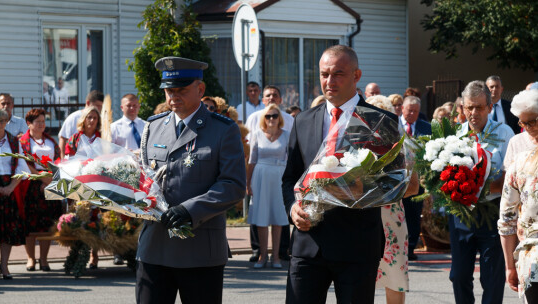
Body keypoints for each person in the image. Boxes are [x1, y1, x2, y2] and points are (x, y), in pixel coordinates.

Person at [282, 45, 399, 304]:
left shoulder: (380, 121)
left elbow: (395, 182)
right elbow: (290, 177)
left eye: (338, 74)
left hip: (356, 246)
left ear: (357, 76)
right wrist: (293, 209)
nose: (329, 81)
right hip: (308, 244)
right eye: (324, 74)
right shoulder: (302, 120)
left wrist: (362, 191)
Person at [136, 56, 245, 304]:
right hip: (154, 247)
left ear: (200, 89)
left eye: (181, 90)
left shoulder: (222, 129)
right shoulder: (153, 127)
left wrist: (189, 210)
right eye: (169, 90)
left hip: (199, 251)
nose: (173, 96)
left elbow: (233, 185)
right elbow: (144, 178)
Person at [451, 80, 515, 304]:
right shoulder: (455, 136)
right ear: (463, 108)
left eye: (479, 107)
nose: (473, 112)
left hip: (492, 211)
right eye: (469, 107)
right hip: (461, 213)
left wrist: (481, 186)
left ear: (489, 107)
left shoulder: (505, 133)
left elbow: (510, 176)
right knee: (458, 276)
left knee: (491, 278)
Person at [366, 95, 416, 304]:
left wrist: (380, 193)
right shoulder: (356, 145)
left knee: (394, 276)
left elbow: (413, 187)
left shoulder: (404, 145)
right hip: (362, 219)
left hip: (391, 217)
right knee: (361, 278)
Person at [245, 85, 293, 263]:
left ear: (279, 117)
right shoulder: (257, 134)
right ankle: (262, 255)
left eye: (275, 115)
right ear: (263, 118)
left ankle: (276, 256)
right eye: (268, 116)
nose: (271, 118)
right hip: (261, 176)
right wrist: (247, 183)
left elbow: (291, 159)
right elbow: (252, 160)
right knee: (261, 216)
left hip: (279, 176)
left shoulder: (287, 134)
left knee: (279, 217)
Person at [20, 109, 62, 272]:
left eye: (43, 121)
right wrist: (42, 179)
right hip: (32, 185)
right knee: (31, 224)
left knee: (47, 224)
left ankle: (44, 259)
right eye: (38, 122)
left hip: (51, 184)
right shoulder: (23, 142)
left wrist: (51, 180)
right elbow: (26, 163)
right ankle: (31, 258)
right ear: (29, 124)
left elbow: (58, 161)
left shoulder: (51, 141)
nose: (41, 125)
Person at [498, 146, 538, 302]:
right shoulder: (520, 161)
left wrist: (509, 266)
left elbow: (507, 220)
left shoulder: (520, 162)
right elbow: (507, 220)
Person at [64, 106, 102, 269]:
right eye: (89, 117)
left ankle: (94, 254)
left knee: (95, 218)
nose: (92, 121)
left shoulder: (102, 138)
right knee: (78, 217)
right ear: (83, 119)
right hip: (78, 184)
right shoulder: (74, 139)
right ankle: (76, 253)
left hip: (97, 184)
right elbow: (68, 159)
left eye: (94, 118)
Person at [110, 93, 145, 265]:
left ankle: (137, 248)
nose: (132, 108)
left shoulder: (146, 125)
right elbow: (109, 151)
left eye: (135, 105)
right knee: (120, 212)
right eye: (128, 106)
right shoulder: (115, 127)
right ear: (122, 108)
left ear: (139, 106)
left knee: (138, 211)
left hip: (141, 174)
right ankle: (118, 251)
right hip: (121, 174)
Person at [0, 108, 30, 279]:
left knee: (6, 230)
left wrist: (10, 187)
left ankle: (4, 266)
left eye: (2, 121)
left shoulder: (13, 141)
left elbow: (22, 168)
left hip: (9, 186)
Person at [399, 95, 432, 261]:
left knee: (413, 214)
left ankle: (411, 247)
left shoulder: (426, 128)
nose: (412, 113)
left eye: (416, 111)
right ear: (402, 109)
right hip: (398, 177)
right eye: (409, 110)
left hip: (417, 177)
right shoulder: (394, 124)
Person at [58, 90, 104, 159]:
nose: (99, 109)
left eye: (101, 106)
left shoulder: (100, 133)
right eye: (97, 105)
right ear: (88, 103)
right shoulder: (73, 118)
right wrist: (62, 161)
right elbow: (63, 139)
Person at [504, 89, 538, 169]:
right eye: (523, 123)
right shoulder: (516, 142)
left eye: (532, 122)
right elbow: (509, 174)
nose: (528, 127)